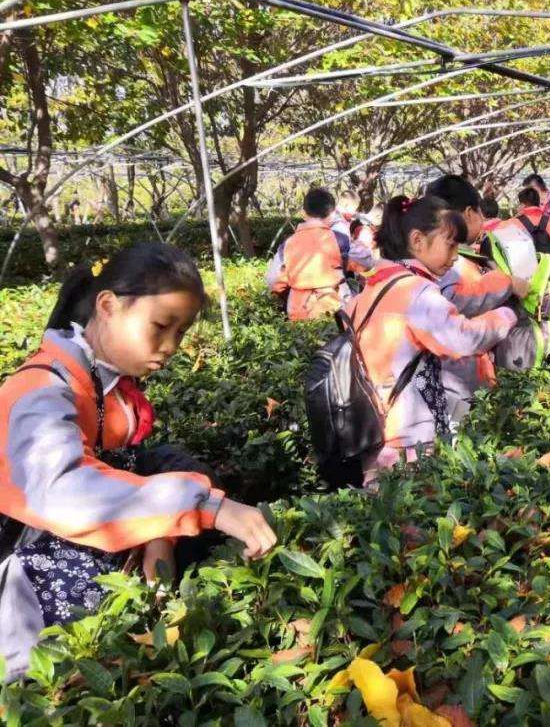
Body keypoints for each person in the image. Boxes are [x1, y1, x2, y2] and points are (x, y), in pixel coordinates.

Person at [0, 244, 276, 678]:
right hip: (32, 625)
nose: (170, 346)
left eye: (180, 332)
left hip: (99, 607)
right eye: (161, 326)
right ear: (108, 306)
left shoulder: (110, 390)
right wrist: (204, 506)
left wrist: (160, 536)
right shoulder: (40, 392)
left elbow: (132, 474)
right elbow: (64, 491)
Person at [345, 196, 516, 482]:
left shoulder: (375, 286)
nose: (455, 257)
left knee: (380, 502)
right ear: (418, 240)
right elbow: (463, 338)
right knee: (411, 502)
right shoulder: (417, 293)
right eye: (450, 245)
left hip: (372, 428)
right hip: (407, 438)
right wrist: (505, 316)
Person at [425, 175, 528, 423]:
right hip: (455, 380)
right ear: (469, 213)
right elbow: (458, 303)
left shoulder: (429, 255)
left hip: (451, 376)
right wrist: (507, 292)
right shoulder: (451, 263)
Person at [267, 188, 370, 321]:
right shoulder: (340, 240)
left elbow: (273, 281)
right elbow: (366, 261)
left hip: (298, 311)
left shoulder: (288, 244)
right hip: (334, 309)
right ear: (332, 213)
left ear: (304, 213)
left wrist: (285, 293)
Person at [515, 186, 550, 258]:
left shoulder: (514, 223)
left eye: (519, 205)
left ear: (523, 205)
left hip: (526, 263)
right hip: (549, 263)